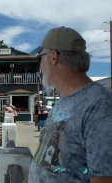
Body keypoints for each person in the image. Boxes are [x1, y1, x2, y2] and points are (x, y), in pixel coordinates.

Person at [28, 26, 112, 183]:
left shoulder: (100, 106)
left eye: (40, 58)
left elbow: (104, 177)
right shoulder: (65, 99)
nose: (40, 65)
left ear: (53, 56)